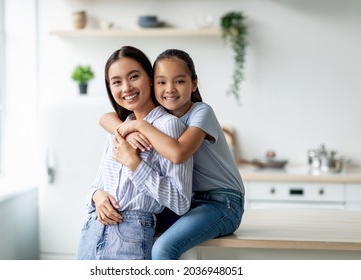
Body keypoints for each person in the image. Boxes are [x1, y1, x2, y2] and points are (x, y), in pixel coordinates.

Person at [99, 48, 245, 260]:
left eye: (179, 81)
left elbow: (179, 153)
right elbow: (105, 117)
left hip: (223, 203)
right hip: (190, 201)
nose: (170, 89)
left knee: (163, 249)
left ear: (194, 83)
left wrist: (138, 126)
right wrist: (126, 130)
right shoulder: (163, 115)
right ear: (153, 83)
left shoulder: (201, 112)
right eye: (161, 82)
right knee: (137, 227)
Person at [76, 46, 193, 260]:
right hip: (92, 232)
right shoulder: (118, 129)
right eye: (117, 82)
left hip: (130, 236)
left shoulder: (169, 126)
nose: (127, 88)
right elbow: (95, 186)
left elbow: (180, 202)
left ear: (150, 78)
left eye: (134, 76)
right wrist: (97, 196)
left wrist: (135, 164)